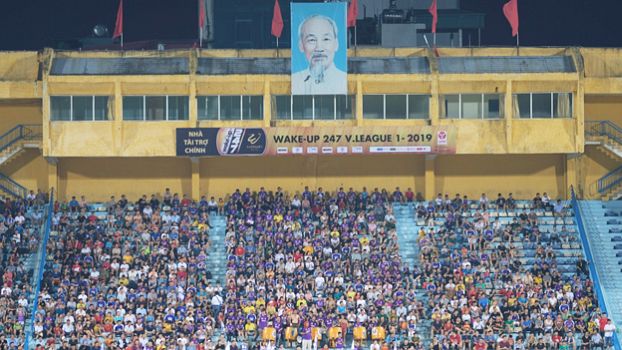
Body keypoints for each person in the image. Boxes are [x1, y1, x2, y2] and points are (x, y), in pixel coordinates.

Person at [291, 14, 347, 95]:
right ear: (301, 45)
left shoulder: (344, 80)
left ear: (336, 44)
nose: (319, 48)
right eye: (312, 40)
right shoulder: (295, 81)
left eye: (326, 39)